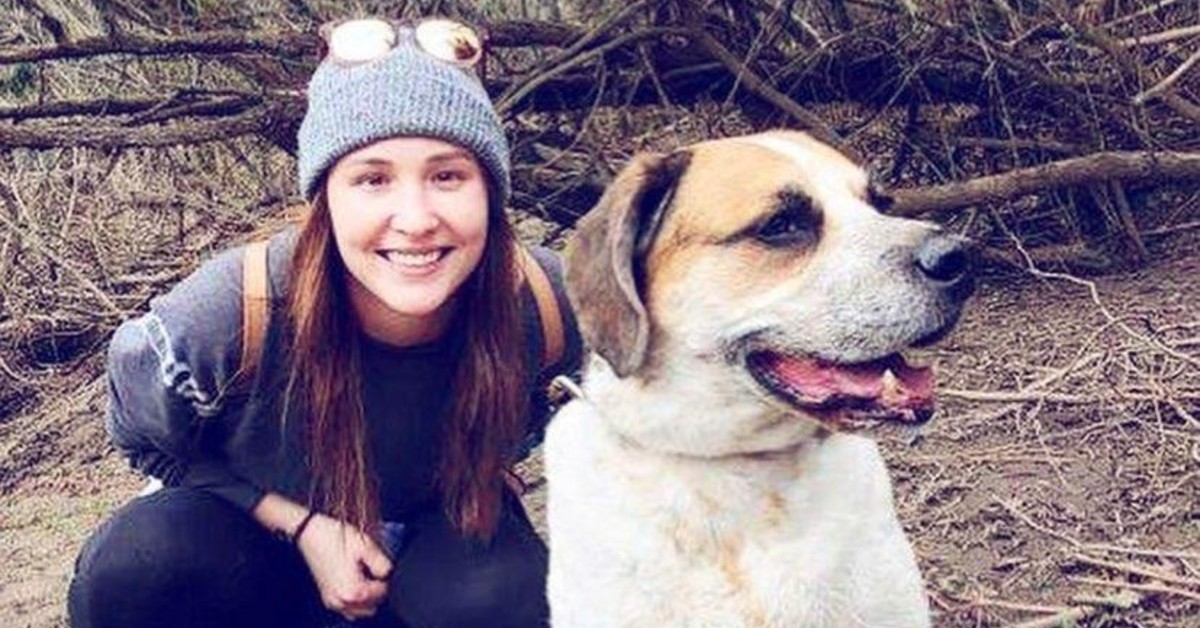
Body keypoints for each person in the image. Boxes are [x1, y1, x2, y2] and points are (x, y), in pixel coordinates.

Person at [67, 16, 581, 628]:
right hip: (253, 552)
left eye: (448, 176)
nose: (415, 219)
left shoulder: (547, 302)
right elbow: (144, 441)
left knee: (503, 598)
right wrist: (300, 523)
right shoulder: (224, 318)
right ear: (324, 199)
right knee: (144, 568)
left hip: (438, 542)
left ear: (490, 191)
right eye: (372, 179)